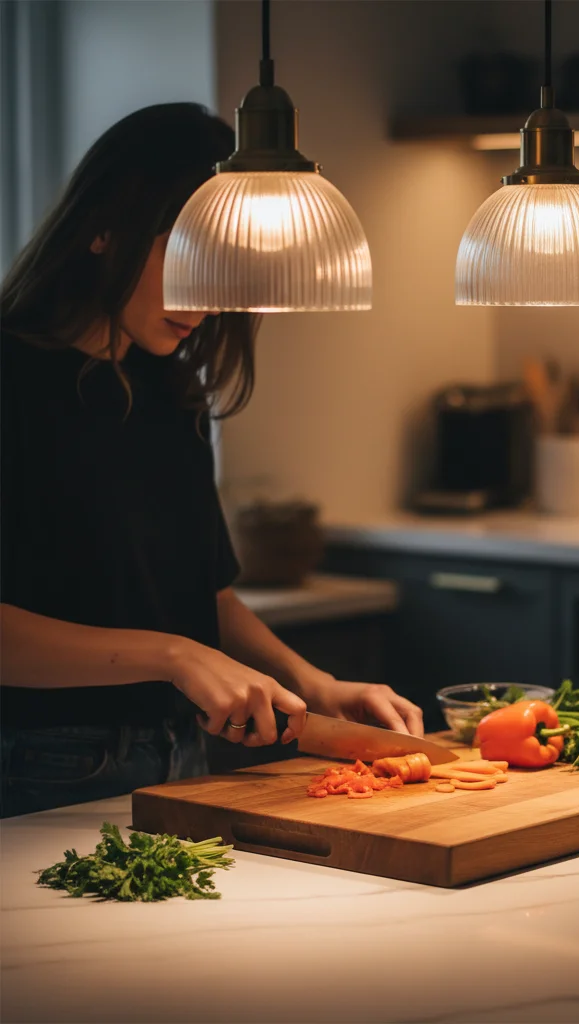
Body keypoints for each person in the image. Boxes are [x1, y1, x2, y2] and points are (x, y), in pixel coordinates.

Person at [0, 103, 423, 818]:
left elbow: (208, 596)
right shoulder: (11, 380)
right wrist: (174, 656)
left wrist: (314, 683)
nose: (207, 295)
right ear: (104, 229)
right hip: (37, 766)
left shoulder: (169, 390)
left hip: (179, 759)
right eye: (186, 254)